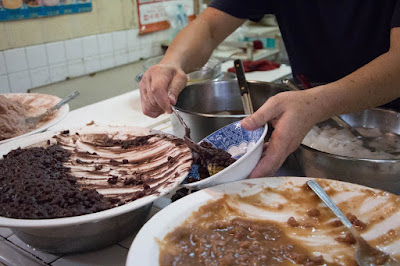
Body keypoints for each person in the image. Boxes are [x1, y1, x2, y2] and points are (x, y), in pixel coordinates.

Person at [139, 1, 400, 178]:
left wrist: (318, 102)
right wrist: (172, 62)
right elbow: (209, 27)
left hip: (390, 124)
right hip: (311, 126)